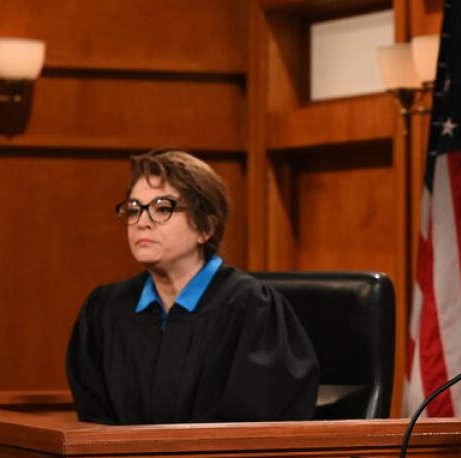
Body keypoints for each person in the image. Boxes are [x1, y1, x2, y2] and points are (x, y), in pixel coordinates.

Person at [66, 150, 319, 424]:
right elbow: (93, 422)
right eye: (134, 209)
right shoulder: (105, 310)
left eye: (162, 208)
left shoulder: (251, 308)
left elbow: (256, 427)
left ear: (205, 228)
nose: (142, 222)